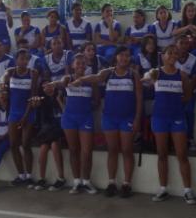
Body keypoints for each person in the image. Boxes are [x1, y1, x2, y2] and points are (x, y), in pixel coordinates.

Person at [73, 46, 142, 198]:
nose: (124, 58)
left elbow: (139, 99)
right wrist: (80, 80)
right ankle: (111, 182)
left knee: (126, 150)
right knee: (112, 150)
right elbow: (96, 78)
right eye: (122, 55)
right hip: (110, 118)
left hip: (127, 118)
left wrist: (137, 119)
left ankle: (126, 184)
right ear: (116, 57)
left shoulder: (133, 74)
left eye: (127, 55)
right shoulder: (108, 73)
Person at [143, 45, 196, 204]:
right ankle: (163, 188)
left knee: (182, 155)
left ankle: (188, 190)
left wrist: (174, 105)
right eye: (170, 53)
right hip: (159, 118)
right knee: (162, 154)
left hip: (177, 119)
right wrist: (146, 77)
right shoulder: (156, 72)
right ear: (163, 56)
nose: (173, 55)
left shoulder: (182, 75)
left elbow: (187, 96)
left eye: (175, 53)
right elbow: (145, 77)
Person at [47, 53, 99, 194]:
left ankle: (86, 181)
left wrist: (85, 106)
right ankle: (77, 182)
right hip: (69, 119)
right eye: (78, 63)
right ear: (72, 65)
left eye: (83, 63)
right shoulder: (67, 78)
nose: (81, 65)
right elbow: (59, 83)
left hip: (85, 119)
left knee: (87, 152)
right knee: (74, 150)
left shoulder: (91, 80)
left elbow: (97, 102)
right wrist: (52, 84)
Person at [1, 49, 38, 187]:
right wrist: (2, 91)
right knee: (13, 144)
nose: (24, 61)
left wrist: (25, 116)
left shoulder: (33, 73)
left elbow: (33, 95)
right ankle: (20, 175)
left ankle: (28, 175)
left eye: (26, 59)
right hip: (14, 112)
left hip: (28, 112)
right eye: (21, 59)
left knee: (26, 143)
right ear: (16, 60)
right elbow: (3, 87)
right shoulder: (10, 72)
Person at [30, 88, 66, 192]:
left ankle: (61, 178)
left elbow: (65, 112)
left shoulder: (61, 96)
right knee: (44, 147)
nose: (47, 89)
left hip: (62, 130)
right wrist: (36, 105)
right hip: (49, 131)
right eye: (44, 87)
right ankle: (42, 178)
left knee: (55, 145)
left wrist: (59, 100)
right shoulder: (43, 102)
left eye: (49, 86)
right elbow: (42, 123)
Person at [175, 34, 196, 150]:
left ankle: (190, 138)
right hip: (174, 93)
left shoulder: (194, 59)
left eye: (186, 43)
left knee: (189, 111)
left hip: (189, 92)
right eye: (181, 43)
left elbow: (194, 80)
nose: (184, 46)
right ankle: (175, 139)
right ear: (176, 44)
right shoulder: (170, 57)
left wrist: (186, 95)